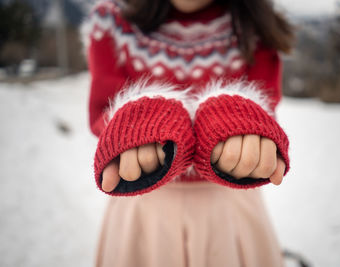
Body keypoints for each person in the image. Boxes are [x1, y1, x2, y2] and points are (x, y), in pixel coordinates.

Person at [81, 0, 294, 266]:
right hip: (143, 212)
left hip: (229, 214)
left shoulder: (253, 21)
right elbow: (105, 106)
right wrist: (140, 119)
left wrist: (239, 115)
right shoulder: (111, 20)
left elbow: (266, 102)